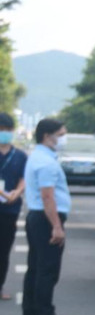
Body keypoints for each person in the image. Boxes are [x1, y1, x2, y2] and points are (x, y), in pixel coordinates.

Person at [22, 118, 75, 315]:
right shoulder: (46, 162)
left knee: (35, 267)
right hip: (46, 218)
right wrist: (56, 226)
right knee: (47, 269)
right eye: (61, 135)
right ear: (47, 136)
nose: (63, 139)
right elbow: (47, 196)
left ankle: (30, 313)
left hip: (37, 216)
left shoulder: (38, 157)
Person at [0, 113, 25, 302]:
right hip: (5, 198)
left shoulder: (20, 156)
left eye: (7, 130)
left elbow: (24, 178)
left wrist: (17, 192)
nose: (4, 133)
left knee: (3, 250)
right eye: (1, 130)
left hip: (9, 209)